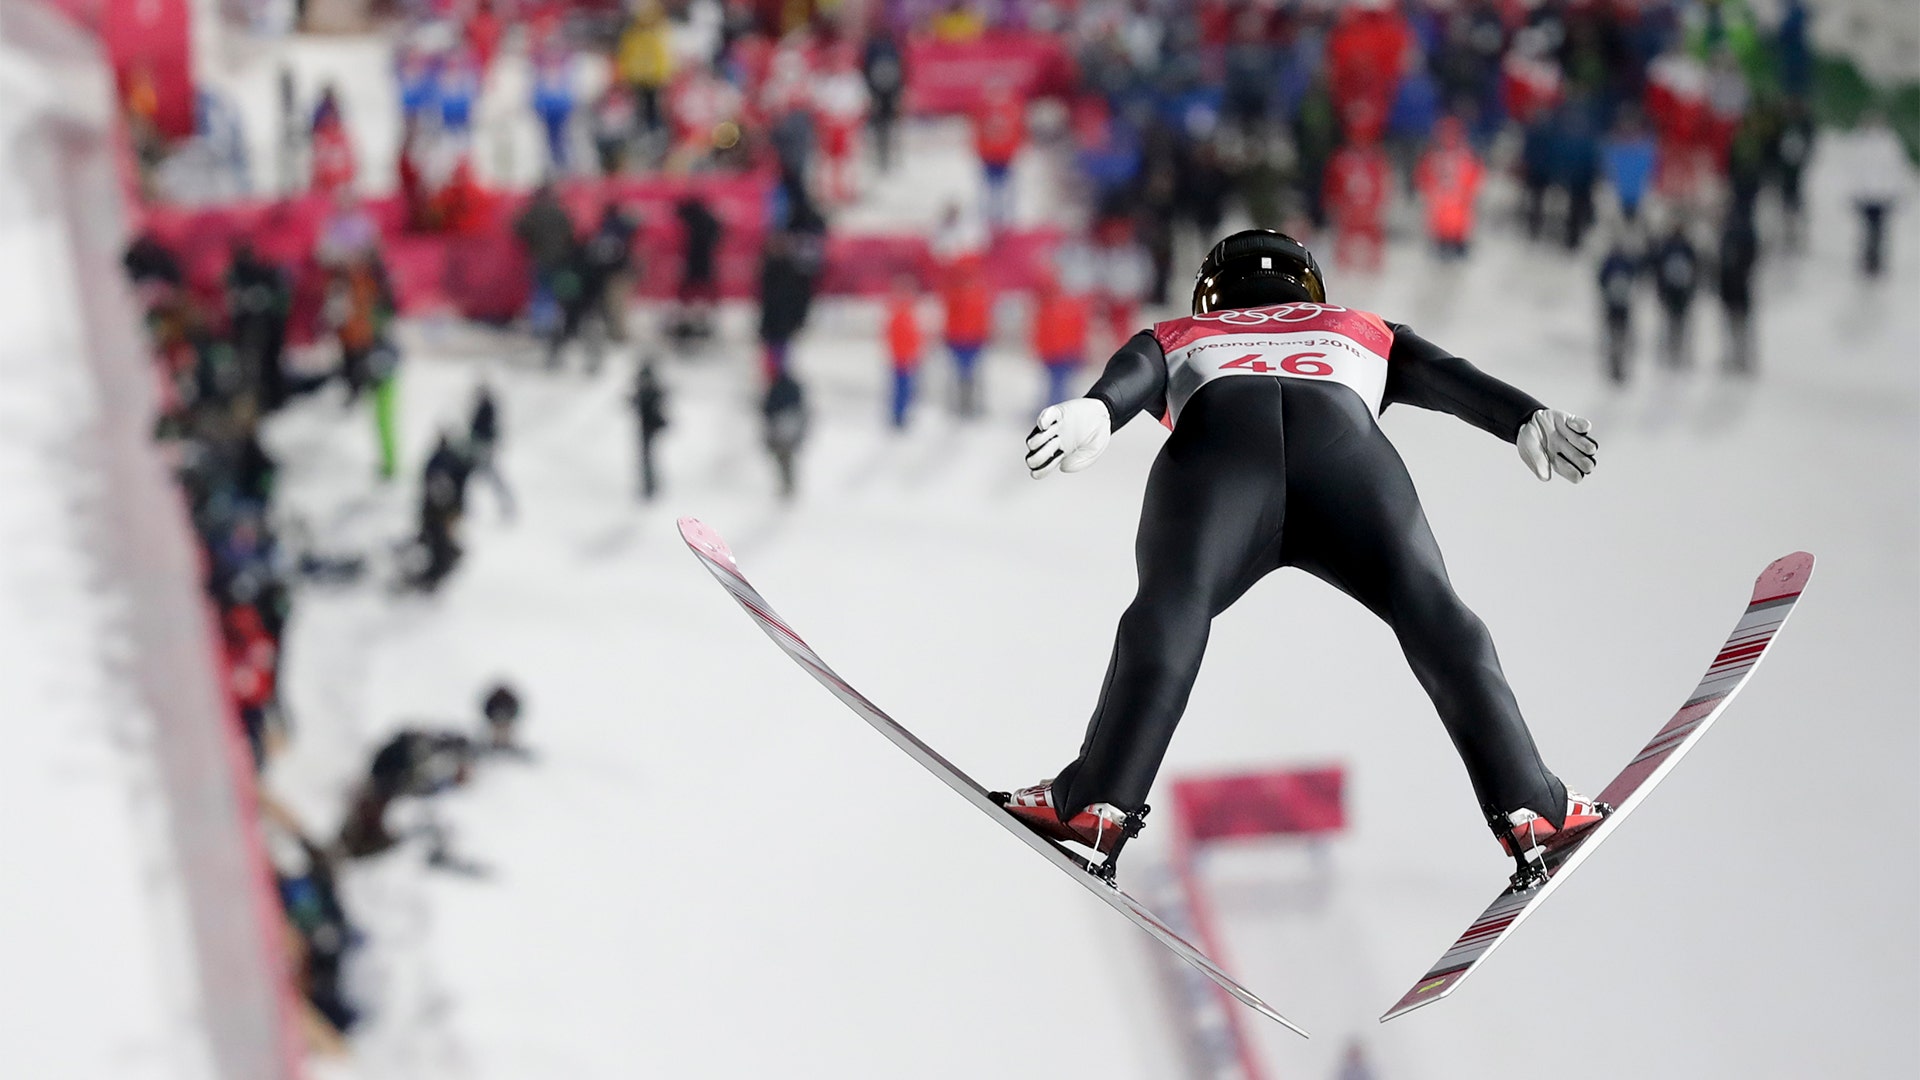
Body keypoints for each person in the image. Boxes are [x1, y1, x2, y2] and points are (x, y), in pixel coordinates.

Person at [1005, 230, 1602, 881]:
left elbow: (1136, 374)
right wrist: (1524, 417)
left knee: (1171, 610)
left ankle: (1095, 806)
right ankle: (1533, 809)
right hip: (1346, 452)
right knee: (1434, 612)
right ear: (1310, 287)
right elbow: (1451, 379)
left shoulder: (1180, 330)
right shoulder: (1358, 324)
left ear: (1213, 293)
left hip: (1221, 451)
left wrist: (1101, 407)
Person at [1831, 111, 1909, 278]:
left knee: (1878, 229)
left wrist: (1898, 192)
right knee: (1868, 228)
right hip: (1865, 194)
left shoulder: (1890, 142)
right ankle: (1869, 258)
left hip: (1882, 194)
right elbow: (1851, 170)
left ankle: (1875, 259)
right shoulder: (1858, 141)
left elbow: (1897, 170)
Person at [1415, 116, 1484, 259]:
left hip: (1456, 208)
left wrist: (1468, 191)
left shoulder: (1466, 155)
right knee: (1444, 231)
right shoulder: (1434, 156)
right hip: (1443, 209)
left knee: (1456, 229)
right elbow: (1423, 176)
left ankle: (1455, 248)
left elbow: (1476, 175)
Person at [942, 255, 992, 417]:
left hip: (972, 340)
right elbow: (951, 316)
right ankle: (961, 404)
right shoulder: (955, 293)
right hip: (959, 339)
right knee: (961, 374)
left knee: (971, 374)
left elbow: (982, 316)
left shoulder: (976, 293)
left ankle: (970, 403)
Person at [671, 194, 724, 347]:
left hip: (696, 259)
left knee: (692, 290)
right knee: (702, 290)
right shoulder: (708, 219)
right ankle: (700, 318)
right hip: (704, 259)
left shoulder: (696, 218)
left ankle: (692, 319)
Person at [1650, 218, 1699, 369]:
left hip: (1679, 290)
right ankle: (1672, 352)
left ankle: (1679, 352)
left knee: (1678, 322)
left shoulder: (1683, 247)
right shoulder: (1670, 247)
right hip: (1673, 290)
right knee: (1673, 322)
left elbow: (1694, 269)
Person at [1715, 213, 1758, 375]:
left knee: (1740, 326)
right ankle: (1734, 356)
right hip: (1730, 291)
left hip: (1738, 291)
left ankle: (1742, 356)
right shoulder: (1727, 241)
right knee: (1732, 326)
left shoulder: (1738, 244)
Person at [862, 24, 906, 173]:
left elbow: (902, 69)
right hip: (879, 92)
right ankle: (881, 158)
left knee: (891, 125)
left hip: (888, 92)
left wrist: (899, 92)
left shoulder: (892, 49)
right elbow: (866, 70)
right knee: (880, 126)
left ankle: (892, 158)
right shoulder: (874, 49)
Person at [1598, 233, 1641, 385]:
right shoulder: (1621, 263)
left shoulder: (1613, 262)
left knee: (1617, 336)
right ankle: (1616, 366)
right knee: (1617, 336)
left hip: (1618, 305)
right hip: (1618, 305)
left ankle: (1616, 366)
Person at [467, 382, 514, 517]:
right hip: (481, 447)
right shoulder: (483, 408)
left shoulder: (487, 408)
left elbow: (486, 430)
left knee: (491, 478)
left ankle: (506, 506)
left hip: (483, 448)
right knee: (477, 478)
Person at [762, 370, 808, 500]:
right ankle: (787, 485)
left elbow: (768, 408)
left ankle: (788, 485)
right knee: (785, 459)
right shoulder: (791, 387)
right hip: (784, 428)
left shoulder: (778, 388)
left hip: (783, 428)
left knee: (785, 458)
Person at [885, 278, 923, 429]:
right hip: (901, 359)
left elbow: (914, 338)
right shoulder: (899, 314)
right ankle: (898, 416)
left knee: (906, 390)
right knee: (901, 390)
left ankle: (902, 415)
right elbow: (896, 338)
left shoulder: (908, 313)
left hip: (907, 358)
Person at [630, 362, 668, 500]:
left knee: (649, 459)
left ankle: (650, 487)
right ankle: (649, 487)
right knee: (646, 459)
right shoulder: (644, 390)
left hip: (650, 428)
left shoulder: (651, 391)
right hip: (644, 429)